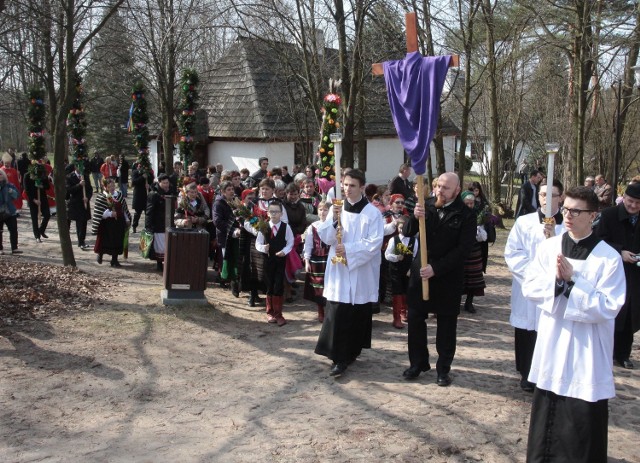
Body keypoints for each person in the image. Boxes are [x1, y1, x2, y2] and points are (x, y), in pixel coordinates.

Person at [522, 186, 625, 462]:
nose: (567, 215)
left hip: (586, 348)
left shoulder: (608, 258)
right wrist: (557, 283)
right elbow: (530, 286)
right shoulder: (549, 247)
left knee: (581, 420)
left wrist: (572, 285)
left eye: (576, 211)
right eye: (565, 208)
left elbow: (609, 305)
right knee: (547, 412)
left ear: (593, 215)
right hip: (553, 341)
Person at [402, 172, 476, 385]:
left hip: (447, 276)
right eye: (438, 186)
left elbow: (463, 250)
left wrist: (437, 268)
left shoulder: (466, 214)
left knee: (446, 324)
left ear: (457, 190)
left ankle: (443, 368)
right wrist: (414, 216)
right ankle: (417, 363)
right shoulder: (426, 205)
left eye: (446, 188)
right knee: (415, 320)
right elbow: (407, 232)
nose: (440, 191)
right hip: (421, 273)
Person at [314, 169, 384, 377]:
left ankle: (351, 352)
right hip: (339, 270)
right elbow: (326, 237)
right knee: (338, 311)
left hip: (360, 270)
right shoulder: (338, 208)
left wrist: (350, 250)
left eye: (352, 185)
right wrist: (334, 221)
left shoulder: (372, 213)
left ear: (362, 187)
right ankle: (338, 357)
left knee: (356, 312)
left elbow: (374, 242)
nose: (347, 189)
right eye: (344, 185)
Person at [504, 179, 565, 392]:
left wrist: (555, 237)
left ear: (561, 198)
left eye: (552, 195)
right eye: (542, 195)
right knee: (527, 330)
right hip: (527, 286)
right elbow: (513, 253)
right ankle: (526, 373)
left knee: (549, 331)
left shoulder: (567, 225)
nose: (546, 199)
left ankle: (548, 374)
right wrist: (534, 276)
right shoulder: (525, 222)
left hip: (554, 288)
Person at [595, 182, 640, 370]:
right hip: (613, 271)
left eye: (638, 203)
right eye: (630, 201)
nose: (633, 206)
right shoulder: (609, 215)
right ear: (624, 198)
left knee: (630, 314)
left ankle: (623, 354)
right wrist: (619, 251)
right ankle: (606, 351)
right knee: (613, 312)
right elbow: (598, 240)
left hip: (636, 274)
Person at [255, 201, 294, 326]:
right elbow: (258, 243)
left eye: (276, 212)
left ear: (281, 213)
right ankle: (270, 312)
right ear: (268, 212)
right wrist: (263, 248)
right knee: (269, 284)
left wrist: (284, 251)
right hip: (268, 260)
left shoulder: (286, 227)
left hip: (280, 260)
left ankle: (278, 313)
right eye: (271, 211)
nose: (273, 214)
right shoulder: (264, 226)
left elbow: (290, 242)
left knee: (279, 284)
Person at [384, 215, 418, 328]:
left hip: (408, 270)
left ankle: (404, 313)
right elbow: (387, 255)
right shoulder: (393, 240)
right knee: (397, 292)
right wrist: (396, 257)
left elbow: (415, 256)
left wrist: (411, 269)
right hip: (395, 270)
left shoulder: (414, 241)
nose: (400, 229)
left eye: (402, 227)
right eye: (399, 227)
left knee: (406, 291)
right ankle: (396, 318)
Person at [91, 177, 131, 267]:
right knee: (105, 241)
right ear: (105, 187)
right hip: (107, 224)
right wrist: (109, 214)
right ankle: (100, 254)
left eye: (113, 185)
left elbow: (124, 209)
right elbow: (99, 213)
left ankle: (114, 260)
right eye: (110, 186)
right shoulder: (101, 197)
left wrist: (127, 219)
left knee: (117, 240)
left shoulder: (119, 195)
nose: (112, 188)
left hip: (118, 223)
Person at [303, 201, 330, 322]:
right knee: (318, 287)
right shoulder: (313, 226)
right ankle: (320, 311)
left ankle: (330, 311)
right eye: (320, 210)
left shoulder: (333, 225)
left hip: (329, 258)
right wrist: (307, 261)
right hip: (316, 260)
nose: (322, 212)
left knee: (330, 286)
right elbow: (308, 245)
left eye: (325, 210)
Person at [461, 191, 487, 314]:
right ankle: (456, 301)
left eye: (471, 203)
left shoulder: (477, 214)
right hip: (460, 249)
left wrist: (479, 232)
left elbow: (484, 235)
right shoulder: (458, 213)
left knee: (473, 277)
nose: (470, 205)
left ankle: (469, 302)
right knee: (460, 277)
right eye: (467, 203)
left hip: (474, 249)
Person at [214, 181, 241, 296]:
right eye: (228, 190)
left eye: (232, 189)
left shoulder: (236, 201)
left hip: (237, 235)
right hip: (225, 236)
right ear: (223, 192)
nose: (231, 191)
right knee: (227, 260)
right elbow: (217, 221)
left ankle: (235, 281)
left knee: (236, 259)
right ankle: (227, 280)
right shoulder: (218, 203)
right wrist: (232, 230)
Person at [145, 174, 172, 271]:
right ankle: (159, 263)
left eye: (167, 183)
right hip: (158, 223)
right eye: (164, 183)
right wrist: (148, 226)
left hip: (168, 223)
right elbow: (149, 211)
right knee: (159, 245)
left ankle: (167, 262)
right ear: (159, 183)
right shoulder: (153, 194)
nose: (166, 185)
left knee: (167, 244)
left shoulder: (171, 192)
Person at [65, 163, 93, 249]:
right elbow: (69, 190)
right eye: (79, 166)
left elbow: (90, 189)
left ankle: (82, 241)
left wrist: (87, 197)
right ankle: (80, 242)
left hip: (84, 203)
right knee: (79, 223)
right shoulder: (69, 177)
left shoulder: (85, 176)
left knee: (84, 223)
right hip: (75, 204)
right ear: (75, 167)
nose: (81, 168)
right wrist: (79, 185)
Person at [24, 160, 51, 242]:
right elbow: (27, 190)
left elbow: (47, 186)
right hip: (33, 200)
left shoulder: (43, 174)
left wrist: (42, 186)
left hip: (42, 198)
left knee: (47, 214)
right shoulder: (27, 176)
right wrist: (34, 200)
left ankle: (41, 230)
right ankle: (37, 236)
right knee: (34, 218)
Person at [0, 169, 21, 255]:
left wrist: (12, 192)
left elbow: (17, 196)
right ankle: (0, 249)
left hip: (10, 211)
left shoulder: (9, 185)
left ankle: (14, 248)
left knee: (13, 230)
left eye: (1, 175)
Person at [130, 163, 153, 234]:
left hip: (147, 195)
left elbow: (151, 180)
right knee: (137, 213)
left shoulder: (148, 172)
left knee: (148, 213)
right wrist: (142, 177)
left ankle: (148, 227)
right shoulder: (135, 172)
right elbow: (134, 182)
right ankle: (134, 226)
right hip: (139, 195)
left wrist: (148, 178)